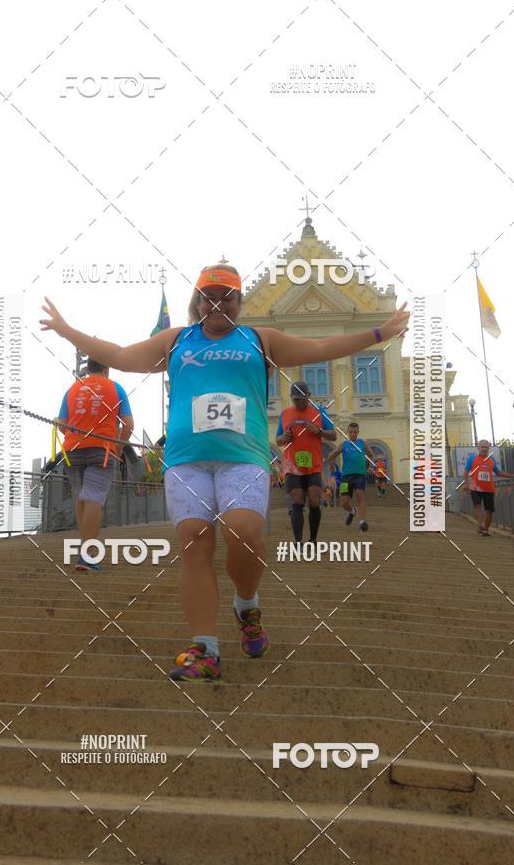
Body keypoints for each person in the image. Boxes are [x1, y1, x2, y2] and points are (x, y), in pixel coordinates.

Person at [41, 265, 409, 681]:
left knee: (244, 532)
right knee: (194, 545)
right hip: (185, 460)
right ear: (197, 301)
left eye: (228, 296)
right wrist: (68, 331)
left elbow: (321, 346)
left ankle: (246, 604)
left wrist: (381, 333)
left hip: (243, 457)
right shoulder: (177, 340)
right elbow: (121, 356)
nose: (218, 303)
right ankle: (205, 648)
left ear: (239, 302)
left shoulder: (259, 339)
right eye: (209, 295)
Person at [54, 358, 133, 571]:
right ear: (106, 368)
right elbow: (128, 424)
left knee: (81, 495)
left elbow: (61, 423)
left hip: (73, 448)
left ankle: (84, 548)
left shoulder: (72, 389)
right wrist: (118, 447)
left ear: (88, 369)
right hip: (103, 448)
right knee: (93, 497)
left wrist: (74, 435)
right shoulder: (115, 388)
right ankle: (87, 555)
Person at [275, 382, 336, 543]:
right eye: (296, 400)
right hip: (291, 466)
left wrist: (319, 431)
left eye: (302, 399)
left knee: (315, 499)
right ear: (291, 398)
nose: (299, 403)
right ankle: (298, 541)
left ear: (308, 395)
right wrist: (284, 438)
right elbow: (278, 439)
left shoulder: (319, 413)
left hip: (313, 466)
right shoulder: (285, 414)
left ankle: (313, 539)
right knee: (297, 499)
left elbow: (334, 435)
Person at [462, 439, 514, 537]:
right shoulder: (472, 458)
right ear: (478, 448)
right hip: (475, 488)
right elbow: (466, 472)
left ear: (488, 449)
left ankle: (485, 530)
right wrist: (466, 484)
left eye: (486, 447)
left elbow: (499, 472)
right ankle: (480, 525)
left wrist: (511, 476)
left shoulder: (491, 460)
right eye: (482, 447)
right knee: (477, 505)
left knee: (489, 510)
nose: (484, 449)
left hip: (489, 489)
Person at [328, 422, 374, 533]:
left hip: (360, 475)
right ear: (348, 433)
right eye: (351, 432)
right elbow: (333, 454)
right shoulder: (344, 445)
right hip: (346, 477)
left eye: (355, 432)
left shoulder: (363, 443)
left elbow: (370, 454)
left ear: (358, 432)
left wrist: (368, 465)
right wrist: (330, 458)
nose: (353, 434)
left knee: (359, 494)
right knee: (344, 502)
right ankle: (352, 511)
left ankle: (362, 521)